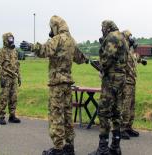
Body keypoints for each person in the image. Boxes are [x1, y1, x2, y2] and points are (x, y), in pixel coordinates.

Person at [20, 15, 89, 155]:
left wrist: (32, 46)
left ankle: (58, 148)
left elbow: (45, 50)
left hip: (56, 84)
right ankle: (69, 146)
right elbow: (80, 58)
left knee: (56, 115)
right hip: (67, 84)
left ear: (55, 26)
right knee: (68, 115)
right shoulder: (71, 40)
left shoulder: (57, 39)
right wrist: (87, 59)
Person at [89, 20, 128, 155]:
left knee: (104, 112)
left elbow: (107, 59)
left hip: (111, 79)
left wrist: (101, 66)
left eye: (102, 29)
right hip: (122, 78)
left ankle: (103, 148)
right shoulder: (123, 37)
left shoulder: (112, 37)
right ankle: (115, 146)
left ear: (106, 28)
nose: (102, 31)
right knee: (117, 112)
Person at [121, 30, 147, 139]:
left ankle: (128, 127)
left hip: (132, 82)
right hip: (126, 82)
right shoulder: (122, 50)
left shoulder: (131, 52)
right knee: (125, 106)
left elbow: (136, 57)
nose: (132, 39)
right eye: (130, 37)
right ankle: (122, 129)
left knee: (131, 106)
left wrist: (142, 61)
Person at [0, 32, 21, 125]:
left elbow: (17, 65)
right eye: (9, 39)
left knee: (13, 97)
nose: (11, 41)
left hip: (14, 78)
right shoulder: (1, 52)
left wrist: (19, 77)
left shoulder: (14, 51)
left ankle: (12, 116)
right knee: (3, 97)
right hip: (5, 79)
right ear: (5, 40)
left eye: (12, 39)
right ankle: (1, 116)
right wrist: (2, 76)